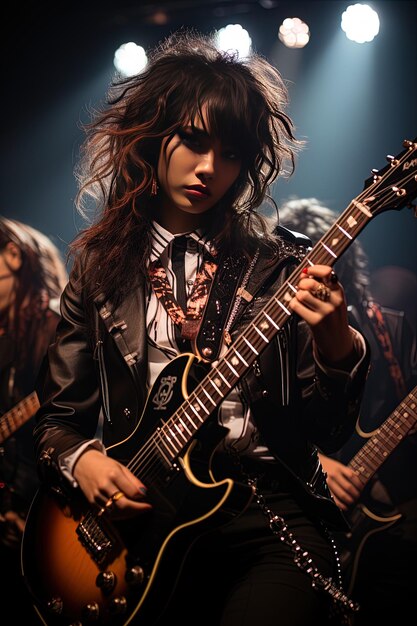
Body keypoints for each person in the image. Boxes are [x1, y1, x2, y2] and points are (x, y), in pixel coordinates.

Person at [28, 31, 370, 626]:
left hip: (270, 517)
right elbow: (59, 421)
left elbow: (327, 432)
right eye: (192, 140)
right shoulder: (98, 269)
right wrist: (82, 461)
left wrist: (337, 341)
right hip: (149, 522)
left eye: (231, 152)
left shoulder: (279, 266)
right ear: (152, 134)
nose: (209, 168)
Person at [277, 197, 417, 625]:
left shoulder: (390, 329)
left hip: (394, 515)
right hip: (302, 519)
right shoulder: (275, 338)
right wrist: (318, 463)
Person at [0, 216, 67, 622]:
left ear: (12, 255)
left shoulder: (59, 326)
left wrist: (30, 515)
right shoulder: (7, 338)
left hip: (49, 526)